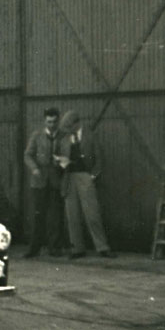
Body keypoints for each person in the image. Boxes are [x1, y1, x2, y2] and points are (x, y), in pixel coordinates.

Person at [55, 110, 115, 259]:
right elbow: (57, 159)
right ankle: (77, 249)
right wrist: (60, 163)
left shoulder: (90, 136)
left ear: (77, 124)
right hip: (69, 178)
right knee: (72, 215)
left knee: (92, 214)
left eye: (69, 127)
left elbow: (99, 159)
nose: (68, 130)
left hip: (85, 177)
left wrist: (92, 177)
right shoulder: (64, 140)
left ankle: (102, 247)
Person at [23, 107, 65, 258]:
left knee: (54, 216)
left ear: (58, 121)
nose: (52, 125)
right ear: (44, 121)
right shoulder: (37, 136)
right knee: (37, 215)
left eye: (54, 122)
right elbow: (27, 155)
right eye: (49, 122)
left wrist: (61, 162)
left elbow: (67, 155)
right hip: (39, 181)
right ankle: (34, 248)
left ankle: (53, 248)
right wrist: (34, 168)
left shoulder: (63, 136)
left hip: (55, 181)